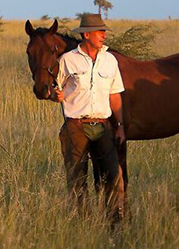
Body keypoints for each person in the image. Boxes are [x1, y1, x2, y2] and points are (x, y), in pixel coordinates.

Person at [53, 14, 126, 221]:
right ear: (86, 34)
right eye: (99, 31)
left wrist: (119, 126)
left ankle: (113, 222)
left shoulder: (110, 60)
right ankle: (82, 222)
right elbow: (55, 89)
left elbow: (115, 95)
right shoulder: (67, 60)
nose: (104, 35)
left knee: (111, 175)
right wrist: (56, 95)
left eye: (104, 31)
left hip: (103, 125)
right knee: (77, 178)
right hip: (75, 126)